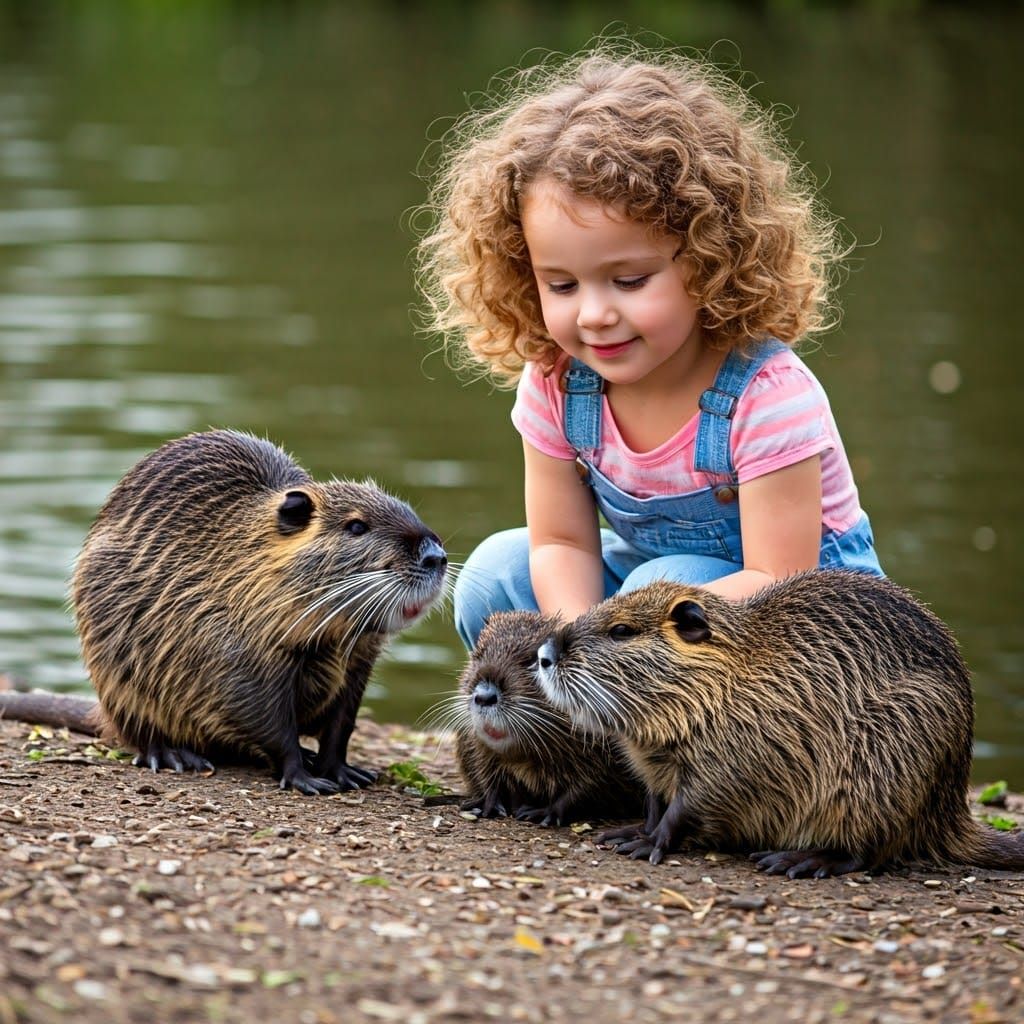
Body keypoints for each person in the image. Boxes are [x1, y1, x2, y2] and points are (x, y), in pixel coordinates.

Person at [415, 44, 883, 650]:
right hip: (650, 610)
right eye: (562, 285)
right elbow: (562, 542)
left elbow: (780, 583)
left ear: (710, 259)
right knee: (495, 575)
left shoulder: (767, 396)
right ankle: (574, 709)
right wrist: (583, 646)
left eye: (631, 281)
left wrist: (627, 633)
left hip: (809, 640)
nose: (594, 315)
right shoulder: (558, 382)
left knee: (660, 586)